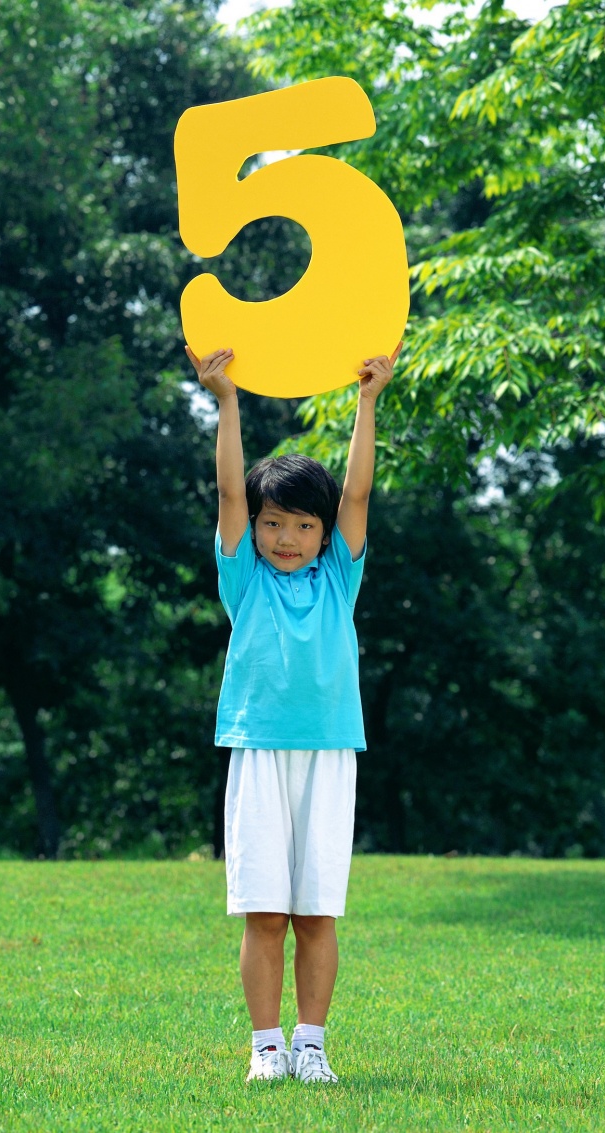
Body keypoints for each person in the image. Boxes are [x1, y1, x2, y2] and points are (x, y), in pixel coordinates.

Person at [185, 340, 402, 1084]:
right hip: (258, 748)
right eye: (275, 523)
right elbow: (229, 496)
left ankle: (312, 1044)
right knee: (264, 911)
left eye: (303, 525)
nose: (286, 537)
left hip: (329, 751)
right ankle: (266, 1046)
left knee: (315, 912)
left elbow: (359, 497)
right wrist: (227, 401)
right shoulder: (243, 579)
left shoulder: (340, 577)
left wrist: (368, 401)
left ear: (322, 532)